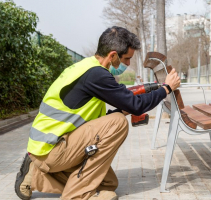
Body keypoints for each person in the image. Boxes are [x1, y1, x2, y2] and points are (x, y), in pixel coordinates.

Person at [15, 26, 180, 200]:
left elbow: (96, 120)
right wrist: (166, 88)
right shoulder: (97, 75)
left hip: (47, 147)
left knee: (108, 184)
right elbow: (136, 106)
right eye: (127, 59)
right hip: (52, 149)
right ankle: (77, 194)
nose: (129, 64)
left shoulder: (87, 67)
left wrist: (124, 108)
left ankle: (35, 175)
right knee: (118, 122)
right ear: (113, 55)